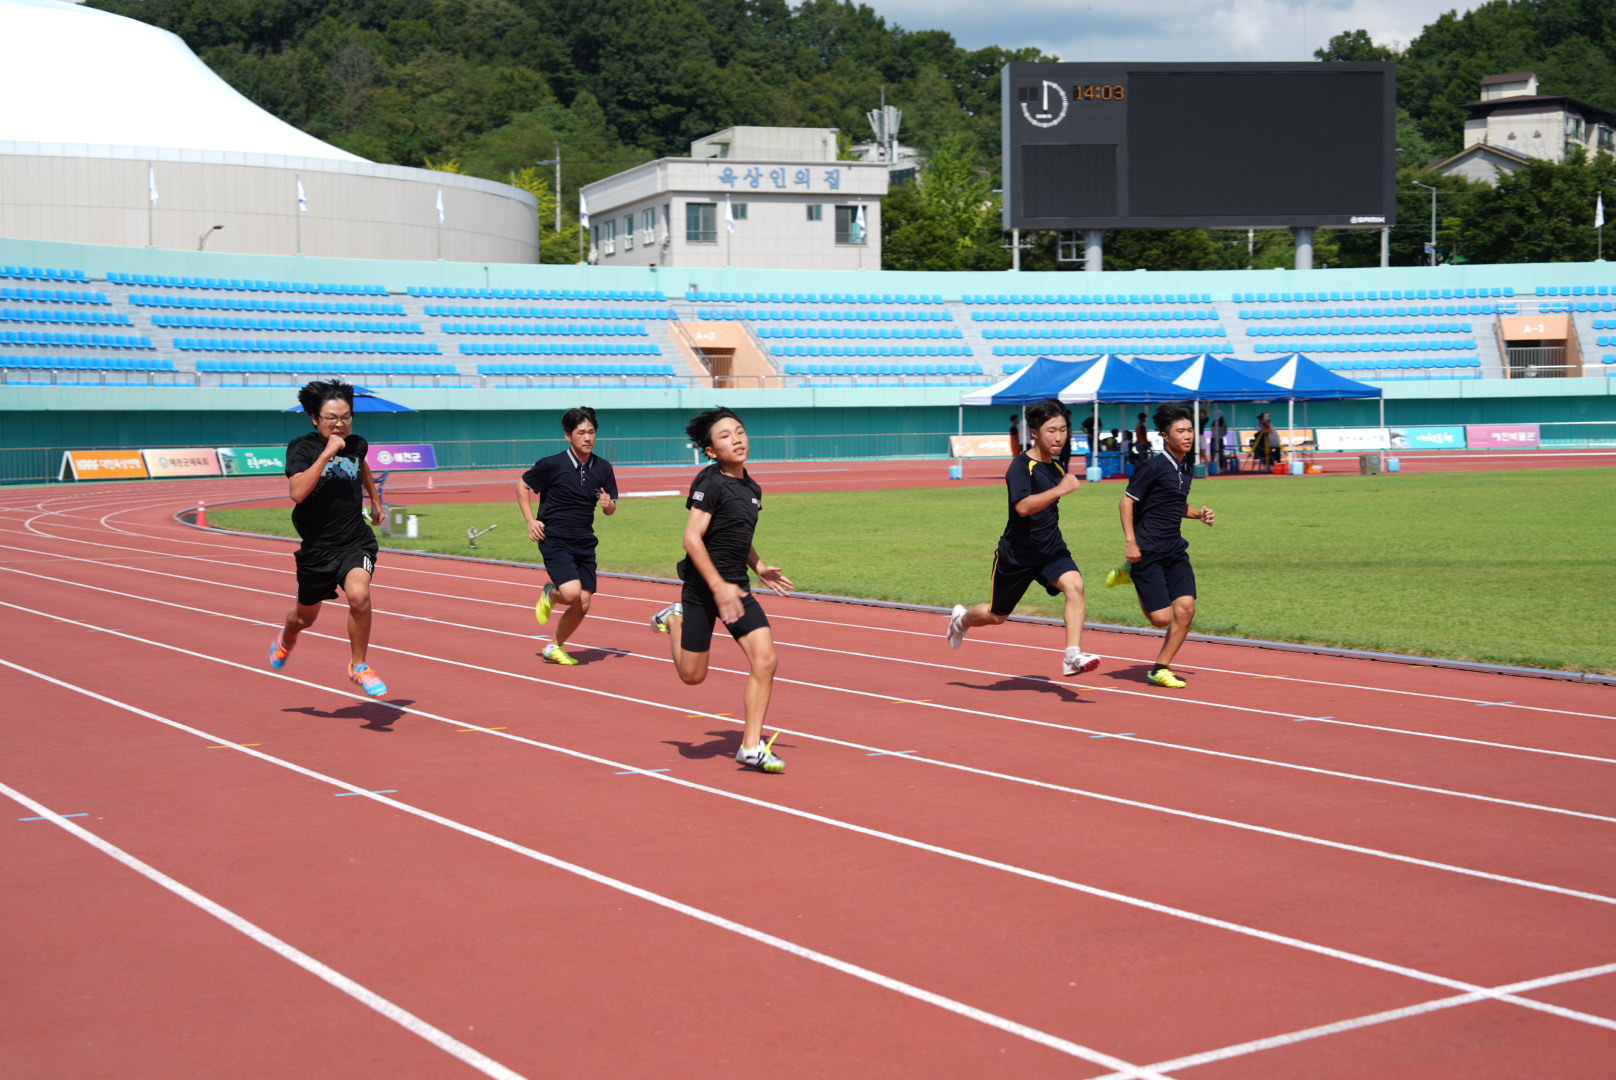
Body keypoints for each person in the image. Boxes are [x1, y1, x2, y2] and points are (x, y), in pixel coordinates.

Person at [651, 408, 793, 774]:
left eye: (740, 431)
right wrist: (717, 586)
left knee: (766, 660)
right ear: (711, 451)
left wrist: (759, 566)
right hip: (702, 589)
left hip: (737, 589)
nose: (737, 439)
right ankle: (674, 619)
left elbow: (737, 537)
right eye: (726, 435)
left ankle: (750, 747)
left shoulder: (752, 487)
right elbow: (691, 538)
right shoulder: (709, 482)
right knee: (692, 676)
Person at [946, 398, 1101, 678]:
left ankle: (1072, 656)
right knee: (997, 615)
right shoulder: (1020, 467)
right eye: (1051, 430)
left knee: (1075, 586)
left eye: (1064, 429)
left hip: (1051, 548)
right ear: (1034, 432)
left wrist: (1060, 487)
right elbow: (1023, 507)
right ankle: (961, 619)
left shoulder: (1056, 468)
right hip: (1017, 555)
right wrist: (1060, 490)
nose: (1059, 437)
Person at [268, 380, 389, 696]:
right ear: (314, 418)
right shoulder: (302, 448)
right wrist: (326, 454)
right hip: (318, 550)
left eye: (346, 416)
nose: (340, 424)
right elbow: (297, 493)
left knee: (359, 596)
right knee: (303, 619)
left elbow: (361, 467)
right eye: (332, 418)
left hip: (354, 540)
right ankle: (287, 637)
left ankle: (359, 666)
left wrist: (375, 501)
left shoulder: (357, 443)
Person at [1115, 403, 1215, 689]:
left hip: (1174, 549)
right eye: (1180, 431)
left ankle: (1160, 668)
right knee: (1161, 619)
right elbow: (1126, 502)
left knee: (1186, 609)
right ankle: (1131, 572)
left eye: (1190, 430)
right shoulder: (1154, 466)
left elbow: (1173, 504)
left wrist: (1199, 514)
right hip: (1147, 550)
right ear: (1165, 436)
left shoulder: (1185, 467)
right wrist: (1131, 543)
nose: (1187, 436)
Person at [517, 406, 618, 665]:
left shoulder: (603, 467)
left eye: (592, 432)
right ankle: (551, 594)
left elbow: (611, 508)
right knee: (571, 593)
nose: (588, 438)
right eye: (581, 432)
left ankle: (554, 646)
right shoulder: (552, 464)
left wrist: (608, 505)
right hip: (555, 538)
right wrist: (531, 520)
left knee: (583, 603)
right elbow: (523, 485)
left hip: (585, 540)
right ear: (568, 436)